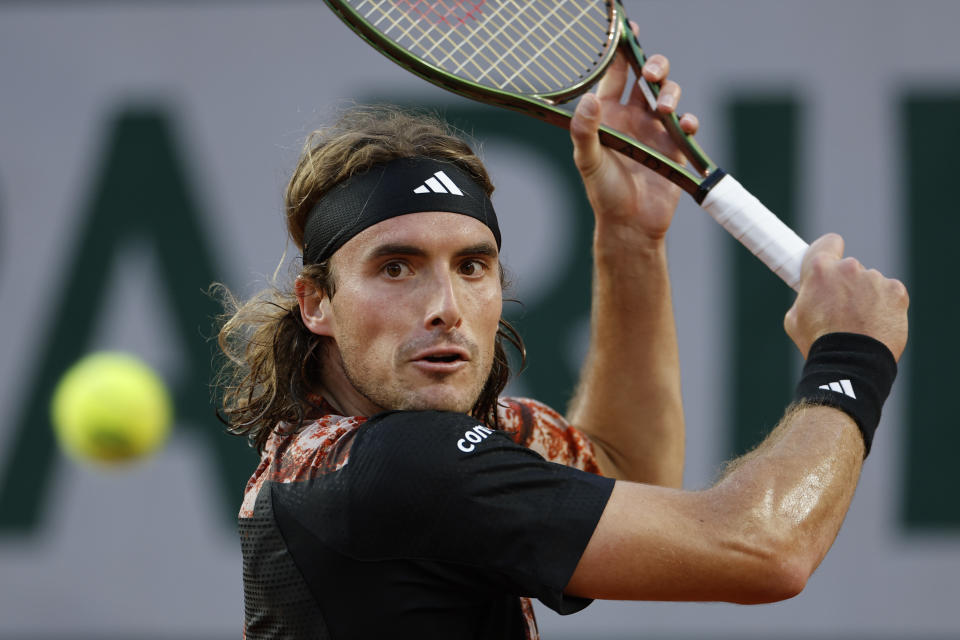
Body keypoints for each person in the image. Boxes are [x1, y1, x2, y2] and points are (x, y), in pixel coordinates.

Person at [216, 51, 908, 640]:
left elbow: (623, 471)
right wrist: (851, 356)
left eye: (472, 266)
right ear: (317, 304)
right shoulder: (396, 469)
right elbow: (765, 547)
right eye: (395, 267)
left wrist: (631, 236)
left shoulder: (391, 447)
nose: (445, 308)